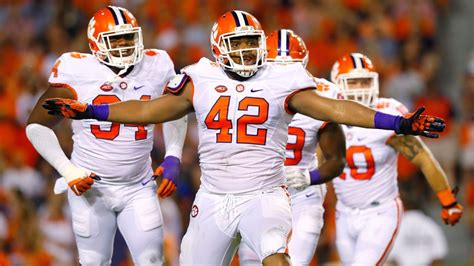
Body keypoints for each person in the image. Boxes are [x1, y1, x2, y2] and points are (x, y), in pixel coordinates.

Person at [43, 10, 445, 266]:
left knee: (274, 250)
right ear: (220, 47)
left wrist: (398, 123)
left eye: (254, 43)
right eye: (241, 44)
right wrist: (95, 110)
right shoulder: (201, 76)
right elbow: (151, 111)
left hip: (264, 193)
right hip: (213, 197)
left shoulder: (281, 78)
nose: (250, 51)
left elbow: (334, 109)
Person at [25, 6, 187, 265]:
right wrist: (68, 171)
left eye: (128, 38)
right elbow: (36, 126)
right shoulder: (76, 70)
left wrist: (173, 154)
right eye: (115, 40)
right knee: (94, 263)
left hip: (139, 185)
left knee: (153, 260)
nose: (124, 46)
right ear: (95, 43)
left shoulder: (156, 64)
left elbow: (177, 109)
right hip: (91, 186)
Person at [329, 53, 463, 265]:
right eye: (353, 82)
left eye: (366, 81)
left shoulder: (388, 113)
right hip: (343, 214)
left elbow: (424, 159)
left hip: (380, 212)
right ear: (337, 85)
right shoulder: (326, 115)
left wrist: (448, 201)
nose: (361, 88)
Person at [237, 29, 346, 265]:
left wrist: (309, 176)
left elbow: (337, 160)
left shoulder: (322, 95)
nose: (285, 74)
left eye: (292, 66)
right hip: (258, 194)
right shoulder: (246, 94)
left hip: (302, 196)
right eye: (278, 66)